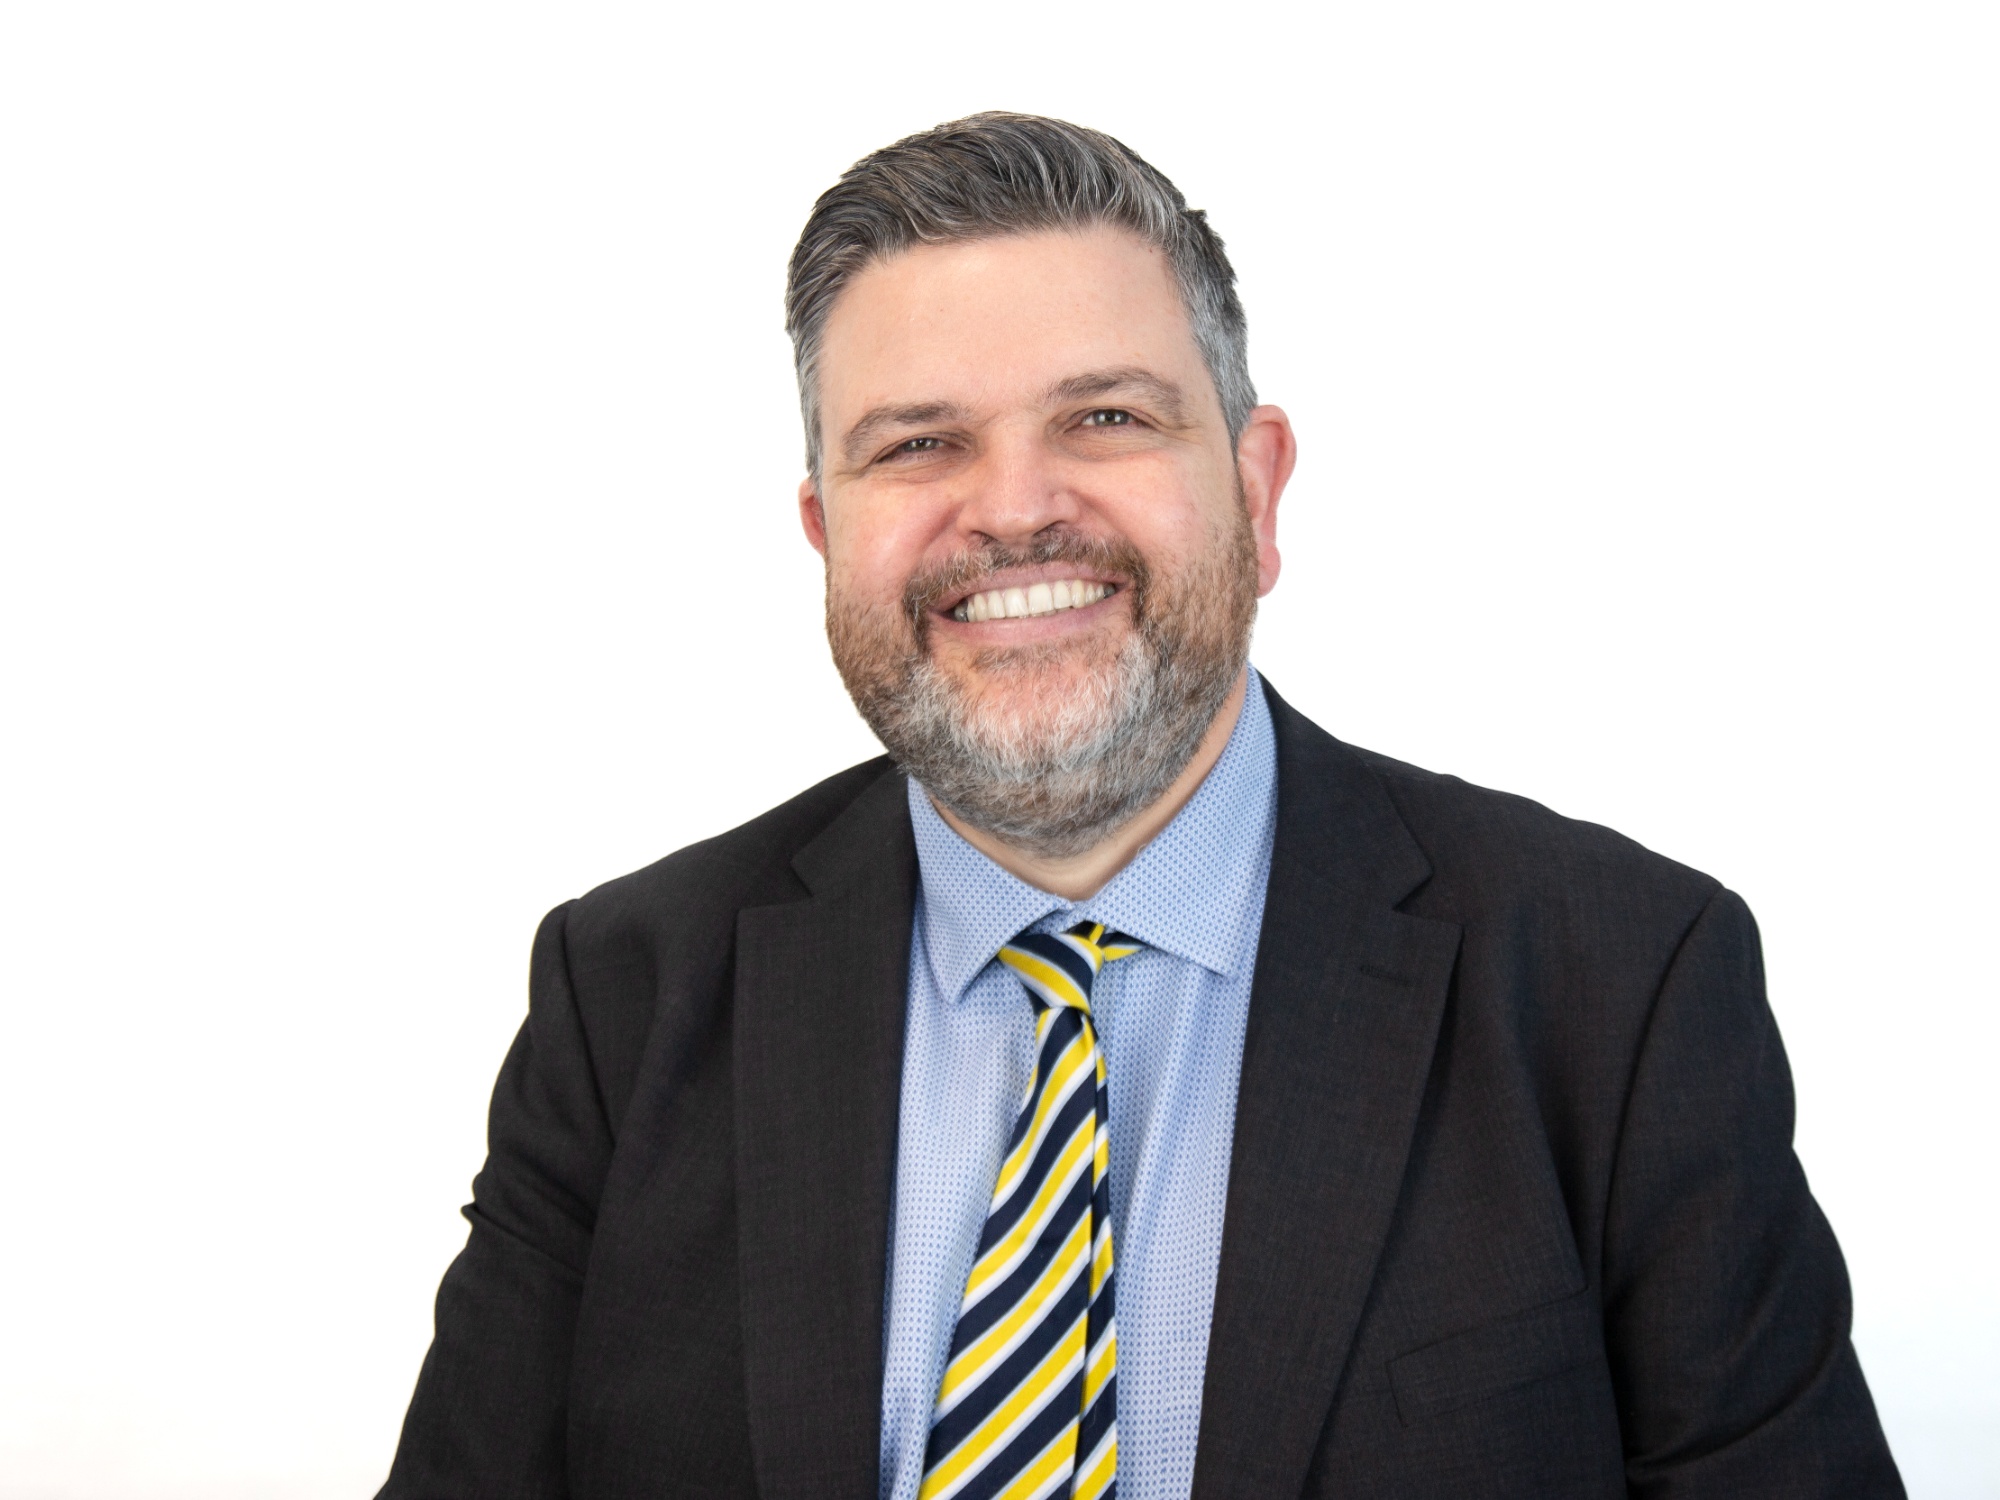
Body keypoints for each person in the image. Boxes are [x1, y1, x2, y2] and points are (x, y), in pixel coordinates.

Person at [379, 113, 1902, 1499]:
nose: (1014, 508)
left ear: (1257, 489)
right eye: (918, 444)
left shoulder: (1618, 984)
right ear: (824, 531)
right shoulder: (625, 1000)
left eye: (1105, 417)